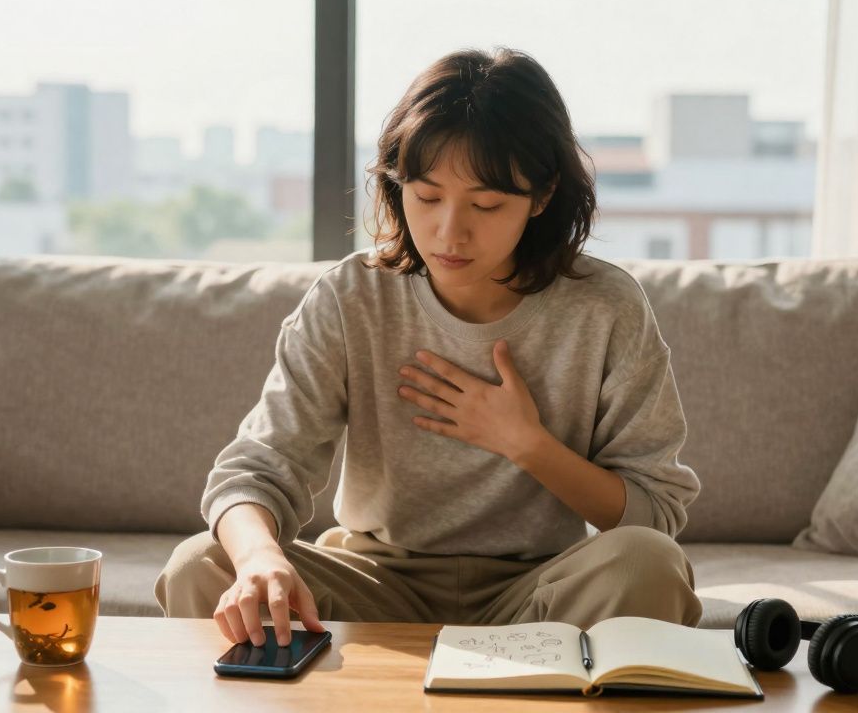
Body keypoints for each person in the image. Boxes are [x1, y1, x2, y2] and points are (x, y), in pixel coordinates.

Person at [155, 46, 703, 648]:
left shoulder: (606, 306)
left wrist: (527, 443)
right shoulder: (351, 297)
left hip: (540, 595)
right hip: (376, 588)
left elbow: (655, 516)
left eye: (487, 204)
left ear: (542, 196)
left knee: (646, 564)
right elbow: (257, 468)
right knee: (201, 565)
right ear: (397, 186)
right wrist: (261, 556)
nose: (449, 232)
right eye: (426, 196)